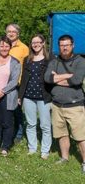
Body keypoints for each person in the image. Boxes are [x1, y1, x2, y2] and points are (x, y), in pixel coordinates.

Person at [44, 34, 85, 173]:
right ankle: (65, 157)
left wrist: (57, 78)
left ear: (73, 45)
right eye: (62, 45)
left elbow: (77, 80)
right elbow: (47, 78)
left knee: (80, 137)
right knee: (61, 134)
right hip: (57, 105)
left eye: (67, 45)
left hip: (75, 105)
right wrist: (68, 76)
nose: (65, 48)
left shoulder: (80, 61)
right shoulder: (54, 61)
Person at [18, 34, 52, 159]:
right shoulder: (27, 59)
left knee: (45, 125)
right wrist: (20, 96)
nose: (36, 44)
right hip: (28, 96)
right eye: (33, 43)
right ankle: (32, 148)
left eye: (38, 42)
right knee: (30, 124)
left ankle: (45, 150)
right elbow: (24, 80)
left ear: (43, 43)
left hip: (44, 96)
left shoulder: (50, 59)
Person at [5, 23, 29, 144]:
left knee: (17, 110)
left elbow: (26, 68)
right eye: (9, 31)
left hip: (17, 84)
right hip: (3, 83)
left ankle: (19, 133)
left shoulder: (24, 48)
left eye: (13, 31)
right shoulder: (3, 45)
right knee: (5, 109)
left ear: (18, 33)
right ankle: (6, 131)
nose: (11, 33)